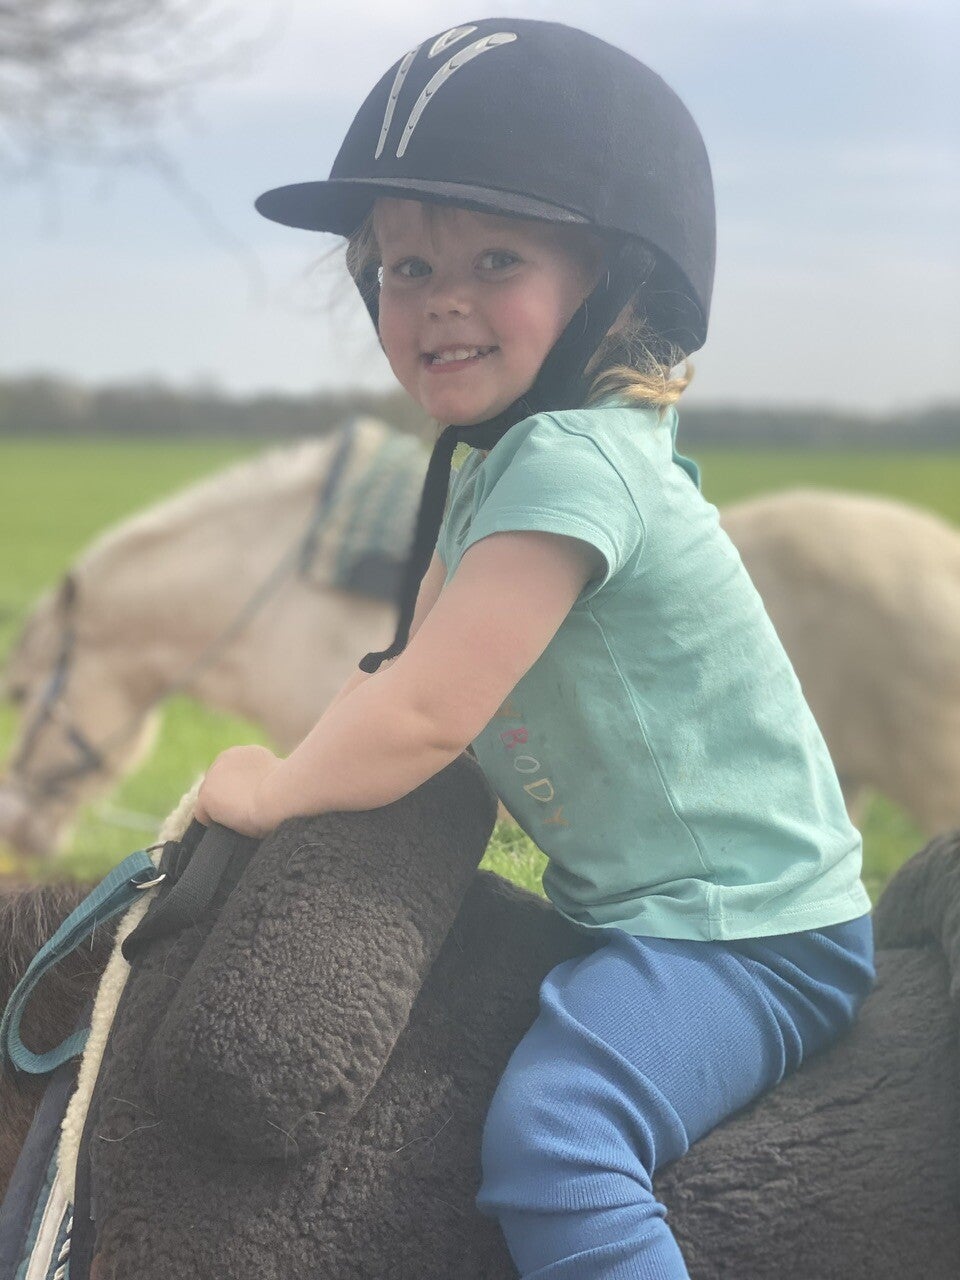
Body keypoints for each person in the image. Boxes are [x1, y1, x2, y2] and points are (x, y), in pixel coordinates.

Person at [195, 18, 876, 1279]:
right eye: (406, 266)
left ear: (611, 281)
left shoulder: (575, 463)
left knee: (557, 1141)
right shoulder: (500, 466)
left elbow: (425, 717)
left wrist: (271, 790)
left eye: (495, 257)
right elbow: (404, 672)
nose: (440, 297)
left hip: (747, 935)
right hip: (650, 913)